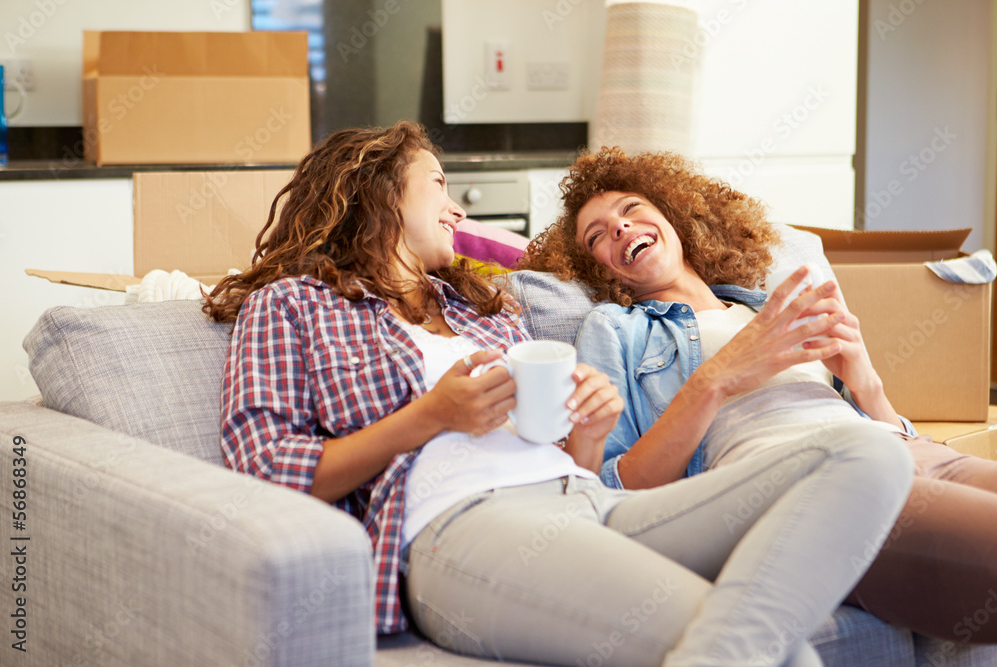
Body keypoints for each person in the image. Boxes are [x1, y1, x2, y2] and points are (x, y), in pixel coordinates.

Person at [204, 121, 913, 667]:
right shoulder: (292, 305)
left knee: (866, 456)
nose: (455, 209)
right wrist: (427, 417)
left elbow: (569, 459)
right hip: (457, 527)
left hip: (587, 502)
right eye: (439, 185)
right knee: (777, 649)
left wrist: (589, 431)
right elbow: (262, 468)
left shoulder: (481, 308)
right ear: (379, 190)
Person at [519, 145, 997, 644]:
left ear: (674, 217)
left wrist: (866, 383)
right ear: (598, 268)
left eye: (631, 208)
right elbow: (612, 488)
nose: (618, 227)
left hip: (909, 453)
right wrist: (718, 377)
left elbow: (874, 423)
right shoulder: (613, 329)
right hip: (814, 483)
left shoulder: (765, 305)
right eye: (597, 235)